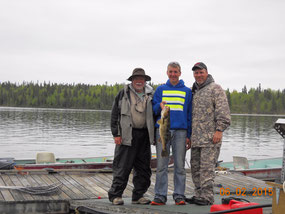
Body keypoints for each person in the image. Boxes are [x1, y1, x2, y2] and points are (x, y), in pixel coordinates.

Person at [108, 68, 155, 205]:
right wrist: (116, 133)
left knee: (144, 168)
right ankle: (115, 195)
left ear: (145, 81)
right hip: (126, 134)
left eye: (142, 79)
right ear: (132, 80)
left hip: (145, 135)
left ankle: (138, 196)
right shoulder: (123, 93)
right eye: (136, 79)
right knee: (122, 166)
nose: (139, 81)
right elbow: (114, 114)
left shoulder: (151, 94)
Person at [189, 62, 231, 205]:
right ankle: (198, 194)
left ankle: (207, 197)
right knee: (195, 169)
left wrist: (219, 130)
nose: (198, 75)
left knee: (207, 170)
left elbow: (223, 112)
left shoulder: (216, 89)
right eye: (196, 73)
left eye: (201, 72)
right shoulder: (193, 91)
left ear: (206, 73)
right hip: (196, 139)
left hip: (210, 139)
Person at [151, 62, 192, 205]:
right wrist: (159, 106)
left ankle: (179, 195)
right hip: (162, 130)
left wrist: (189, 135)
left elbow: (189, 115)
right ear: (167, 72)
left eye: (176, 71)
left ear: (180, 73)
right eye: (170, 71)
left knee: (179, 165)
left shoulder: (187, 91)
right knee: (161, 165)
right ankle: (160, 195)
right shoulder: (160, 89)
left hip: (181, 132)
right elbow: (154, 109)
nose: (173, 74)